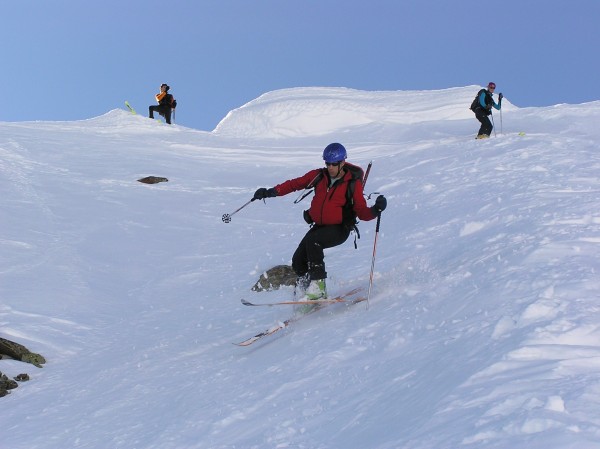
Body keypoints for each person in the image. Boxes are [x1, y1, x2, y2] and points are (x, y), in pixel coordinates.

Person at [253, 143, 387, 303]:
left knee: (313, 241)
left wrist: (376, 210)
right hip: (319, 227)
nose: (330, 167)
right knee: (297, 261)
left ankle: (319, 287)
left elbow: (362, 212)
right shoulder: (318, 176)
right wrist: (271, 192)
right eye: (327, 163)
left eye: (334, 164)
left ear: (342, 163)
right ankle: (309, 293)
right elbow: (295, 184)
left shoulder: (352, 184)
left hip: (339, 228)